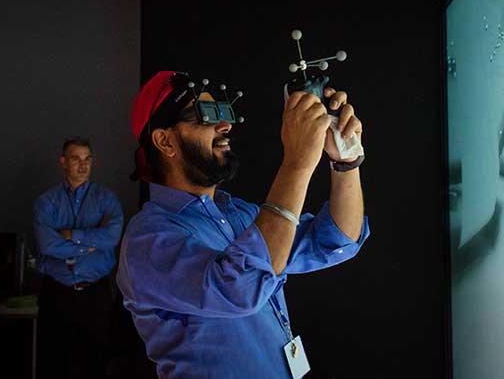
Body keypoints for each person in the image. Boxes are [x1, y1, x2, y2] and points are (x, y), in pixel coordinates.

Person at [117, 71, 370, 378]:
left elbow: (337, 240)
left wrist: (346, 161)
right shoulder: (147, 239)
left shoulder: (239, 214)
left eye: (222, 112)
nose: (225, 125)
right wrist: (297, 162)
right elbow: (240, 289)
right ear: (165, 141)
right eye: (205, 114)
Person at [33, 137, 124, 379]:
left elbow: (111, 237)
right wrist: (90, 246)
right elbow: (47, 244)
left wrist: (72, 235)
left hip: (95, 294)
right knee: (54, 363)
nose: (83, 165)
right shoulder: (47, 202)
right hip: (56, 292)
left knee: (95, 363)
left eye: (87, 159)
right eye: (76, 159)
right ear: (63, 162)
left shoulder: (106, 199)